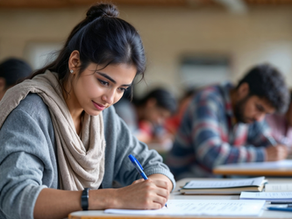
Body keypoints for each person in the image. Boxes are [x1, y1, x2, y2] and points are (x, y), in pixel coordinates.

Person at [0, 3, 175, 219]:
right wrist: (114, 198)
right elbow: (16, 198)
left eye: (121, 89)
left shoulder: (102, 116)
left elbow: (151, 163)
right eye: (103, 81)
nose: (110, 98)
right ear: (75, 62)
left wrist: (157, 186)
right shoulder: (30, 112)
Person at [165, 64, 290, 179]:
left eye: (266, 114)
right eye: (259, 108)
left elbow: (269, 144)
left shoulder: (247, 112)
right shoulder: (208, 100)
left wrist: (280, 150)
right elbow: (211, 154)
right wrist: (264, 155)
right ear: (244, 90)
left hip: (218, 183)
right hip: (184, 183)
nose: (260, 118)